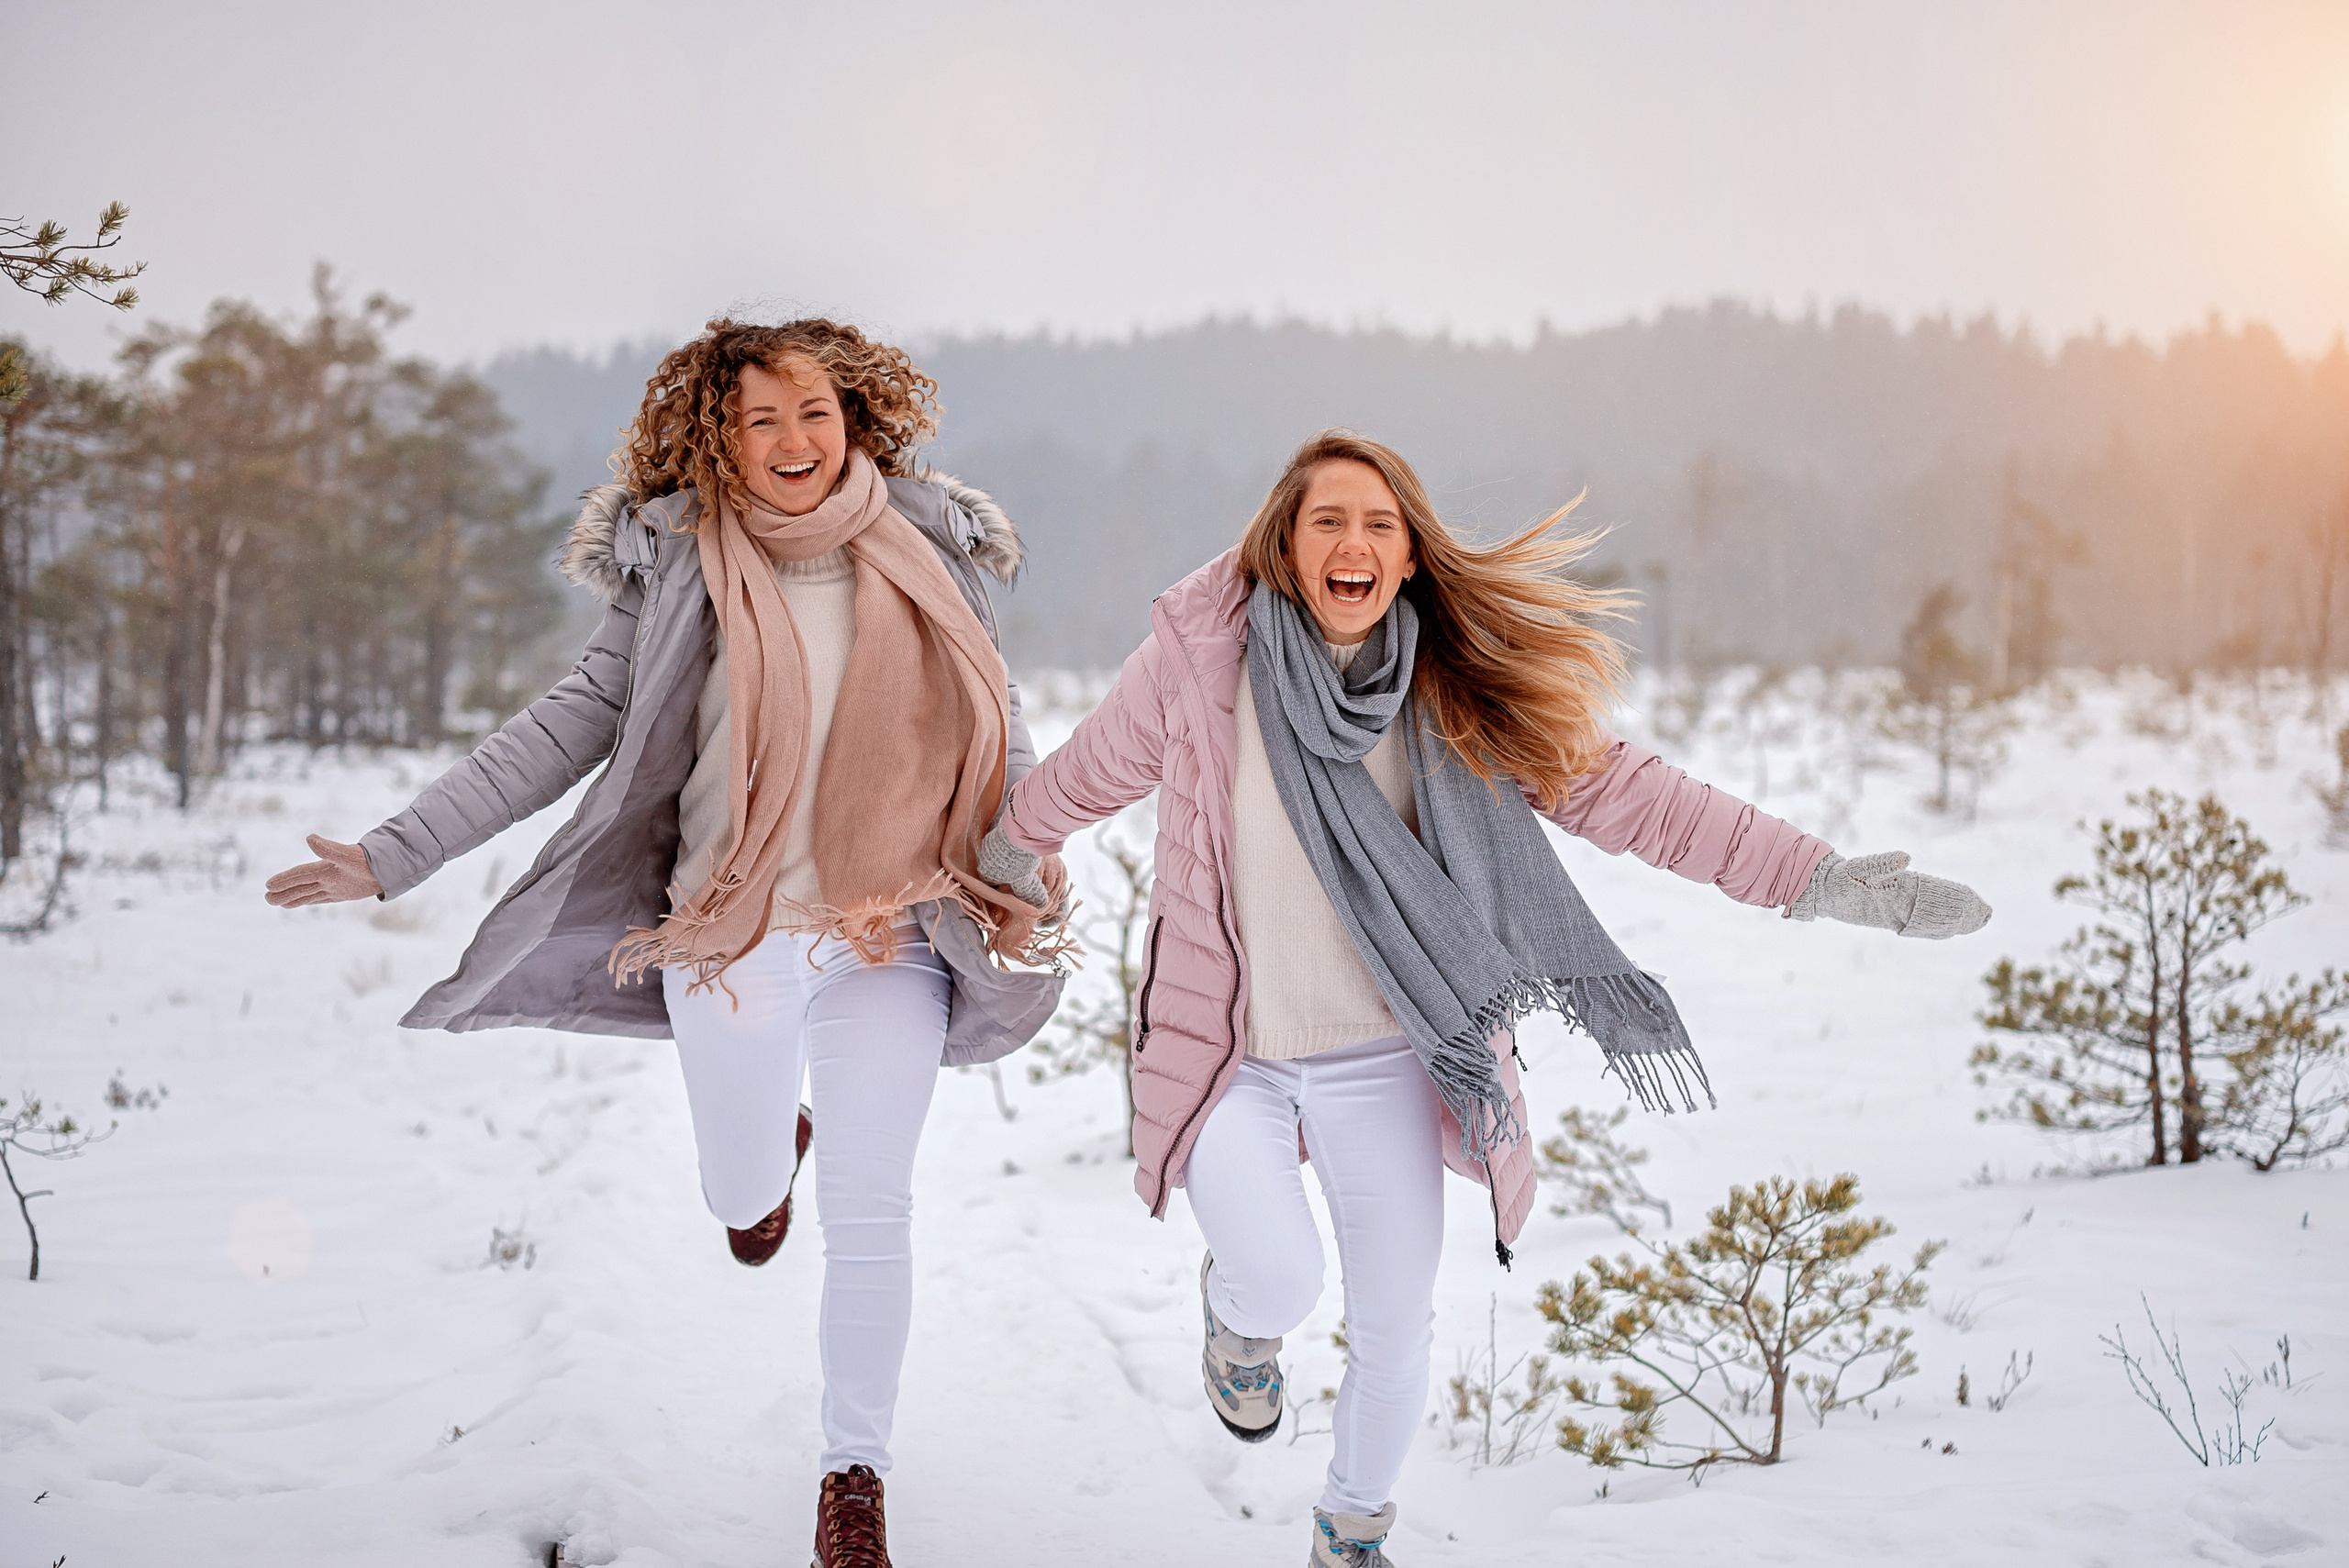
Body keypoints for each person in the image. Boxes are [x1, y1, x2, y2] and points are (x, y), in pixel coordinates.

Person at [978, 428, 1990, 1568]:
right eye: (1326, 521)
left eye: (1378, 524)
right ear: (1280, 546)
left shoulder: (1457, 693)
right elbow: (1100, 763)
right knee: (1282, 1270)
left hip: (1392, 1057)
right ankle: (1239, 1316)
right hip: (1233, 1055)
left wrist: (1815, 879)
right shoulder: (1201, 664)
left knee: (1398, 1327)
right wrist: (1012, 845)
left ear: (1409, 557)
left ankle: (1350, 1528)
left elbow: (1635, 799)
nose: (1352, 542)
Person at [263, 317, 1064, 1568]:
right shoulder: (683, 567)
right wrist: (395, 851)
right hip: (728, 929)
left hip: (885, 931)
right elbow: (560, 727)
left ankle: (854, 1484)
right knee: (739, 1190)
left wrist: (1023, 851)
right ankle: (764, 1163)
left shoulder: (930, 553)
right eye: (761, 420)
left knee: (874, 1207)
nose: (793, 440)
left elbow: (996, 719)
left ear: (855, 418)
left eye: (814, 412)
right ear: (720, 439)